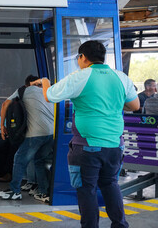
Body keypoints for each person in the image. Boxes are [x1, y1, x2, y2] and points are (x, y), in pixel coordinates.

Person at [33, 40, 139, 228]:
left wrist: (45, 82)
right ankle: (120, 224)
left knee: (87, 190)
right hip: (115, 144)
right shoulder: (120, 76)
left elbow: (50, 96)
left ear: (82, 57)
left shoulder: (80, 76)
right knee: (110, 184)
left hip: (87, 146)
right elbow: (135, 105)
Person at [0, 75, 54, 202]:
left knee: (19, 159)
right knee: (39, 161)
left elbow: (5, 104)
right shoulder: (48, 91)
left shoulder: (24, 90)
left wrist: (2, 126)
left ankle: (15, 191)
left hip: (35, 134)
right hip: (51, 133)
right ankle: (43, 192)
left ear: (28, 84)